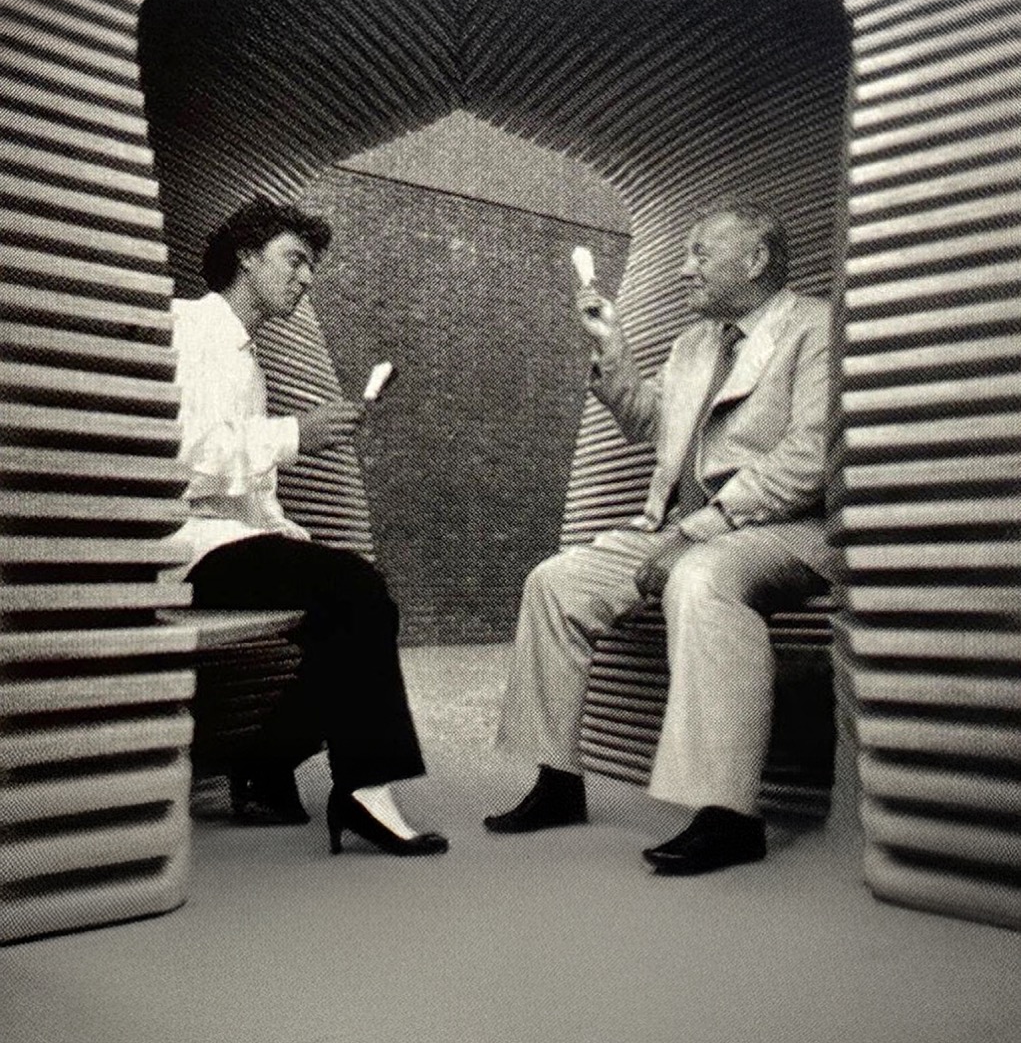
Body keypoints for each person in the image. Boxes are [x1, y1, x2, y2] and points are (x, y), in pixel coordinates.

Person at [485, 197, 837, 875]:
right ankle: (556, 779)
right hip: (685, 528)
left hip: (785, 527)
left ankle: (728, 815)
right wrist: (611, 348)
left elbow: (811, 456)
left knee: (700, 580)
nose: (683, 269)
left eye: (700, 253)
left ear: (756, 258)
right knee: (554, 582)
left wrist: (700, 532)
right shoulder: (693, 344)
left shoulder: (816, 328)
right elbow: (650, 423)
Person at [167, 195, 447, 858]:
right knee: (355, 590)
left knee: (361, 598)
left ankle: (265, 763)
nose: (306, 278)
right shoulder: (189, 328)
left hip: (229, 542)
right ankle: (363, 789)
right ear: (246, 256)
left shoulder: (245, 357)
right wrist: (296, 434)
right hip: (185, 547)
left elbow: (248, 497)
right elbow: (182, 459)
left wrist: (290, 533)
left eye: (311, 267)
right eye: (294, 260)